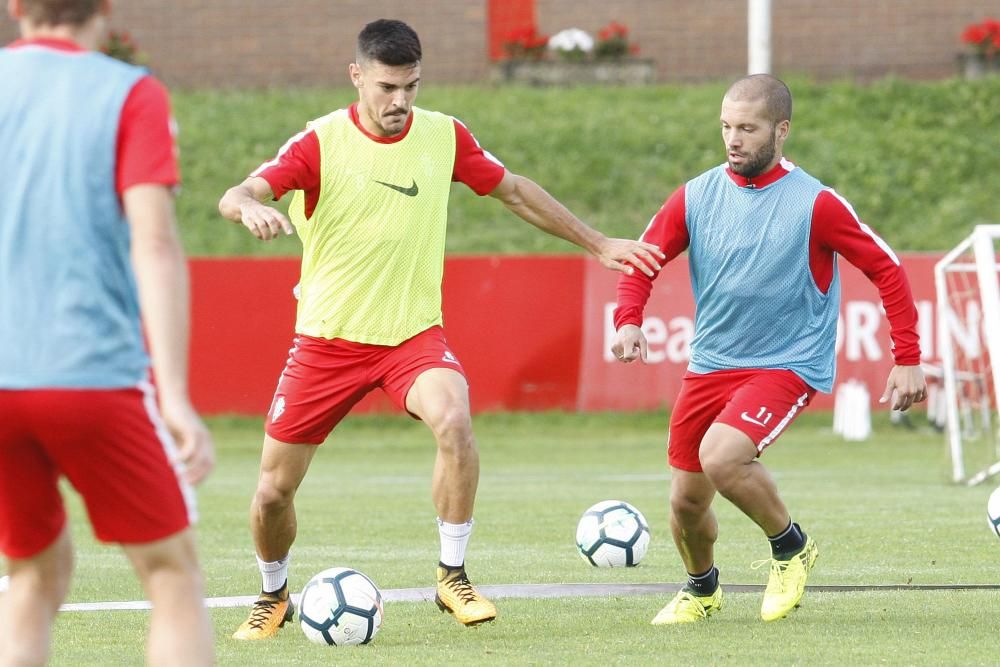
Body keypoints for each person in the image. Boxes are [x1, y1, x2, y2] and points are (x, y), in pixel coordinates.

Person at [218, 18, 664, 638]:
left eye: (411, 86)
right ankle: (272, 595)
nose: (399, 101)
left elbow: (514, 192)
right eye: (386, 87)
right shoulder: (320, 143)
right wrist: (245, 205)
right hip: (326, 341)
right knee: (271, 492)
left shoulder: (443, 136)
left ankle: (451, 574)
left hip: (411, 337)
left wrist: (597, 243)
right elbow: (242, 190)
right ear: (357, 76)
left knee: (455, 420)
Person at [611, 74, 927, 625]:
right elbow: (643, 258)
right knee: (686, 504)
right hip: (710, 363)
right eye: (726, 127)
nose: (734, 140)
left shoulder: (817, 204)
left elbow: (887, 269)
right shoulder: (695, 195)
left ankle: (791, 547)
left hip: (785, 364)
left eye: (748, 129)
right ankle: (702, 589)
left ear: (781, 131)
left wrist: (907, 358)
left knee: (723, 456)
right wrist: (628, 320)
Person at [0, 1, 216, 664]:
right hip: (90, 374)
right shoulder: (130, 93)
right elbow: (152, 240)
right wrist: (175, 394)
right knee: (171, 573)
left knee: (34, 571)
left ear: (14, 6)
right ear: (105, 7)